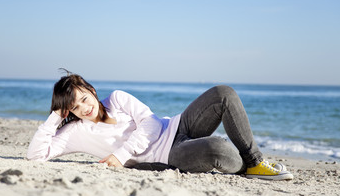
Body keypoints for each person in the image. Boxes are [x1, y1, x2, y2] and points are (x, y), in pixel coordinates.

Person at [27, 71, 293, 181]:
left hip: (176, 125)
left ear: (92, 90)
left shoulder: (118, 98)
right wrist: (55, 116)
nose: (84, 108)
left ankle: (254, 162)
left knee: (223, 93)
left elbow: (152, 124)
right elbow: (36, 155)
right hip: (168, 156)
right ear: (68, 111)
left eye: (84, 98)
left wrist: (120, 156)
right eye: (74, 107)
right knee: (218, 149)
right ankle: (247, 168)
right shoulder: (76, 132)